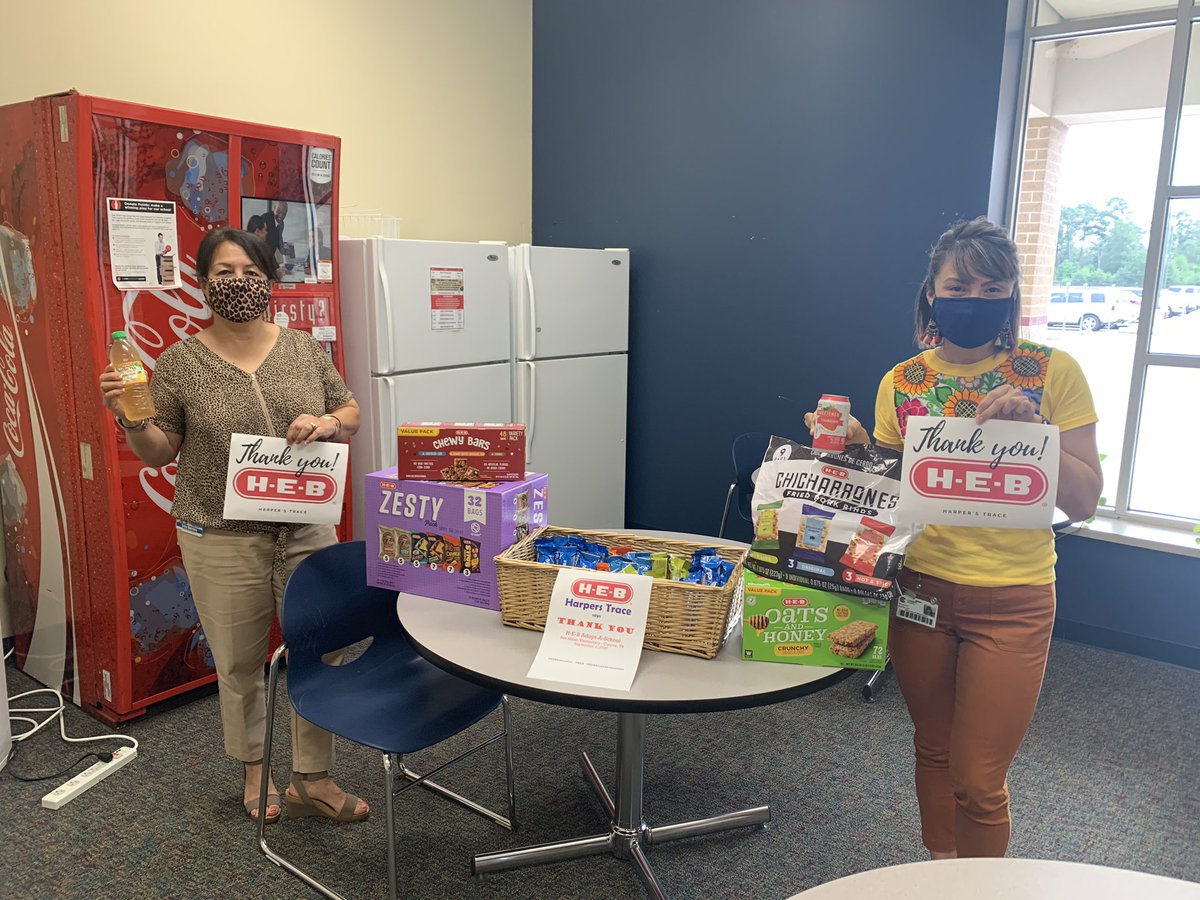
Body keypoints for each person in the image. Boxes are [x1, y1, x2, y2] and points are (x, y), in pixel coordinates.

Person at [808, 218, 1102, 859]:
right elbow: (886, 499)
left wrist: (1034, 435)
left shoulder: (1051, 372)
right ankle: (942, 874)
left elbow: (1083, 503)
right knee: (934, 754)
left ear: (1013, 297)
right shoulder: (903, 383)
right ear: (931, 294)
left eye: (991, 286)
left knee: (978, 780)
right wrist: (854, 448)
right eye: (958, 285)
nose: (974, 298)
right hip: (921, 593)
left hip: (1015, 600)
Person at [98, 227, 369, 826]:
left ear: (269, 279)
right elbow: (159, 450)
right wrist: (128, 418)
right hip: (220, 536)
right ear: (202, 283)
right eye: (224, 272)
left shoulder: (301, 348)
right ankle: (256, 771)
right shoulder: (179, 362)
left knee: (318, 647)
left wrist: (325, 421)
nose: (239, 282)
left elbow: (349, 410)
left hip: (303, 531)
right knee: (241, 664)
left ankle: (313, 776)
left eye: (250, 271)